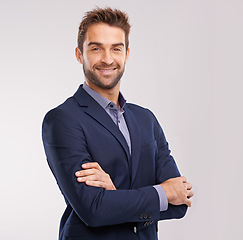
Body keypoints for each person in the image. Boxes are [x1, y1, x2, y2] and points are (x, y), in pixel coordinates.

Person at [42, 7, 194, 240]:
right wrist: (162, 193)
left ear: (127, 54)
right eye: (96, 48)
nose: (107, 59)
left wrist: (116, 197)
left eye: (116, 48)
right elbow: (93, 210)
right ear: (79, 54)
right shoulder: (62, 120)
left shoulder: (146, 119)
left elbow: (180, 203)